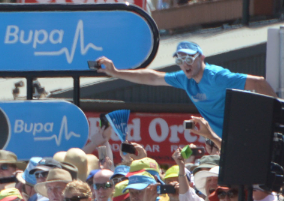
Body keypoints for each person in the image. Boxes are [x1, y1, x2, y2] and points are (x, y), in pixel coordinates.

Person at [95, 41, 275, 136]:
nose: (184, 64)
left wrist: (278, 118)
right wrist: (117, 72)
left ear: (201, 58)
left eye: (189, 59)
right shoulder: (184, 79)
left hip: (245, 136)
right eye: (180, 60)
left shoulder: (216, 77)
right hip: (223, 142)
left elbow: (259, 82)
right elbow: (152, 77)